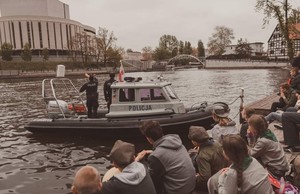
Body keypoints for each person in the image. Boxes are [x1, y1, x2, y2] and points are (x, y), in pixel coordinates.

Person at [135, 120, 196, 194]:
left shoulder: (156, 156)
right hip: (190, 187)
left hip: (178, 191)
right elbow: (169, 155)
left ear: (148, 138)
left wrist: (137, 161)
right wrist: (154, 152)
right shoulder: (177, 142)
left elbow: (150, 179)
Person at [207, 135, 274, 194]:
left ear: (228, 154)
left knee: (212, 182)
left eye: (223, 149)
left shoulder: (232, 174)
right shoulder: (252, 160)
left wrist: (221, 179)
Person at [188, 126, 228, 193]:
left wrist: (196, 177)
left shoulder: (202, 156)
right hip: (223, 172)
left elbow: (205, 178)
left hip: (215, 181)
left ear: (195, 142)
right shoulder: (216, 143)